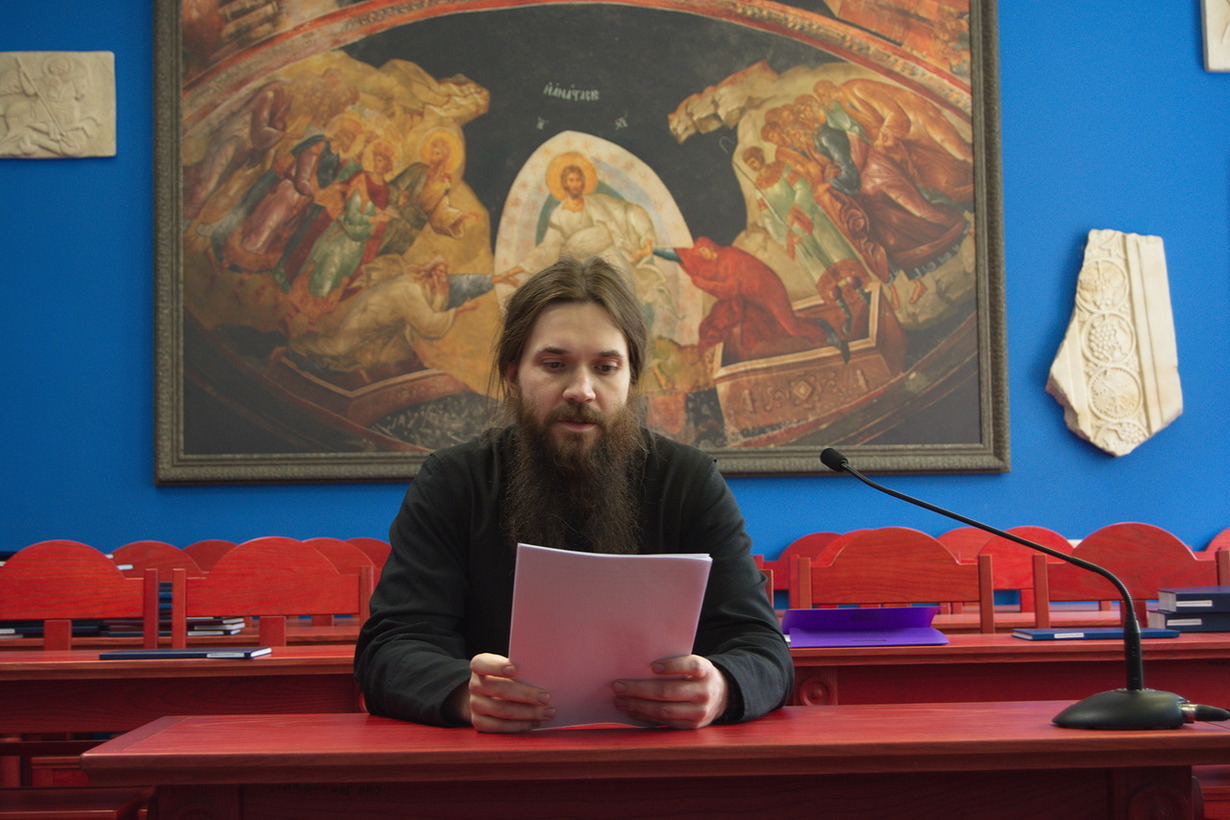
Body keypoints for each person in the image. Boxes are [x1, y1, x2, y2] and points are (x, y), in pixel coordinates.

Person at [354, 255, 792, 732]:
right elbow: (389, 649)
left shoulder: (688, 481)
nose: (581, 390)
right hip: (495, 761)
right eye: (555, 364)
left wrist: (722, 688)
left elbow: (763, 649)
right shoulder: (452, 482)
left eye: (605, 367)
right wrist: (465, 694)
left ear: (631, 377)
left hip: (659, 761)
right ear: (512, 374)